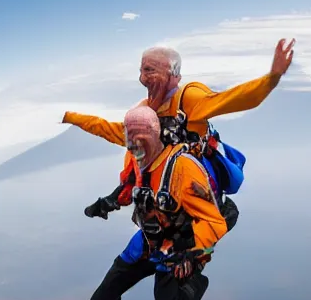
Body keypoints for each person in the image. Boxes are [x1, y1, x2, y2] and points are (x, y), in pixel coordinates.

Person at [62, 39, 295, 225]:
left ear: (174, 75)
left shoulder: (189, 100)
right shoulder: (145, 111)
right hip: (167, 202)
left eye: (150, 70)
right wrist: (70, 116)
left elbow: (232, 100)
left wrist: (271, 79)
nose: (143, 78)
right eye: (142, 70)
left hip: (196, 197)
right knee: (138, 157)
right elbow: (112, 131)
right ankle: (113, 201)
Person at [88, 105, 228, 300]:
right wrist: (107, 202)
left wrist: (191, 253)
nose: (135, 143)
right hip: (146, 243)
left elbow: (214, 221)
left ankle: (196, 275)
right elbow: (130, 187)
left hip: (175, 247)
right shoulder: (139, 162)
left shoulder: (182, 167)